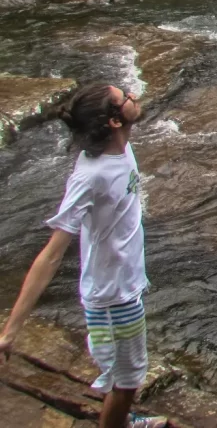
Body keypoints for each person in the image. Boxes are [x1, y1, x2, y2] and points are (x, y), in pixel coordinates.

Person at [0, 83, 168, 428]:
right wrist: (10, 332)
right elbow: (50, 256)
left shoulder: (118, 148)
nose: (132, 94)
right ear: (114, 121)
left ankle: (121, 419)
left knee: (124, 376)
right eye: (124, 97)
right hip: (111, 300)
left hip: (124, 286)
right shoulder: (91, 177)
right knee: (126, 382)